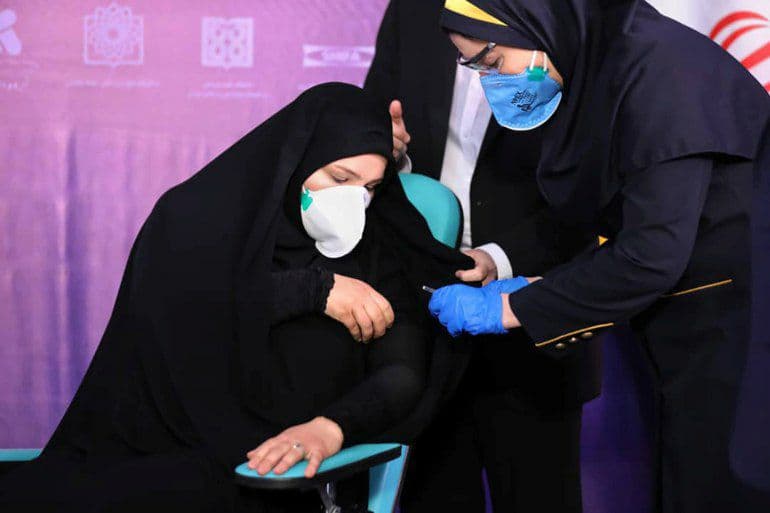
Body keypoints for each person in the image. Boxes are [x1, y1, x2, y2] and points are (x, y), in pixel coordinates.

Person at [0, 83, 472, 513]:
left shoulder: (379, 250)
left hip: (269, 472)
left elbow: (403, 373)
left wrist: (330, 428)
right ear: (296, 159)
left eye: (370, 188)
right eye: (338, 177)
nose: (355, 202)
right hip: (154, 445)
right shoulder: (195, 218)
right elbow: (177, 308)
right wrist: (312, 290)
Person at [428, 1, 770, 512]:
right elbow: (592, 207)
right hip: (691, 322)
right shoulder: (599, 66)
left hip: (741, 325)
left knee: (722, 486)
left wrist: (512, 308)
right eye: (474, 68)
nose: (487, 83)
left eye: (492, 64)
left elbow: (651, 255)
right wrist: (498, 262)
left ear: (536, 22)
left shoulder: (661, 75)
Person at [364, 2, 600, 511]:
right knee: (434, 492)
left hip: (533, 310)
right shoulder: (413, 11)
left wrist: (499, 257)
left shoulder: (570, 17)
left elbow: (592, 186)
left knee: (542, 492)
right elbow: (376, 123)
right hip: (426, 308)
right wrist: (389, 152)